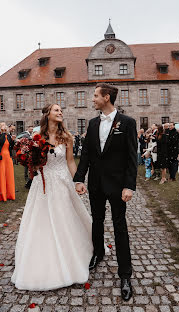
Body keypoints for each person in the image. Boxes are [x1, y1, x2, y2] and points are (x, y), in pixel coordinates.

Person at [11, 104, 94, 290]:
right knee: (41, 222)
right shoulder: (36, 138)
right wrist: (31, 160)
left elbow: (71, 161)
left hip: (62, 181)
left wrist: (78, 181)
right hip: (43, 183)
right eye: (56, 110)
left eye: (61, 110)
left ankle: (74, 253)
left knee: (66, 218)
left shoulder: (67, 137)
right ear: (47, 114)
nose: (60, 112)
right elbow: (32, 165)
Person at [73, 83, 138, 301]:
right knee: (97, 221)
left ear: (106, 97)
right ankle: (97, 253)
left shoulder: (127, 123)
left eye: (95, 95)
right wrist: (79, 179)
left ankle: (125, 274)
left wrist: (129, 186)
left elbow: (131, 158)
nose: (92, 99)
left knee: (120, 226)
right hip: (96, 184)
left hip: (119, 186)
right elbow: (87, 156)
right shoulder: (92, 124)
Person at [0, 122, 16, 201]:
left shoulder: (8, 136)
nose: (5, 126)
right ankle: (3, 194)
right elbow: (1, 141)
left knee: (9, 174)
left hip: (8, 157)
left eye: (5, 125)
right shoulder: (1, 135)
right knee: (2, 175)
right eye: (3, 125)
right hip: (2, 157)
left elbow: (11, 147)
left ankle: (10, 194)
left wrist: (13, 141)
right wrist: (3, 133)